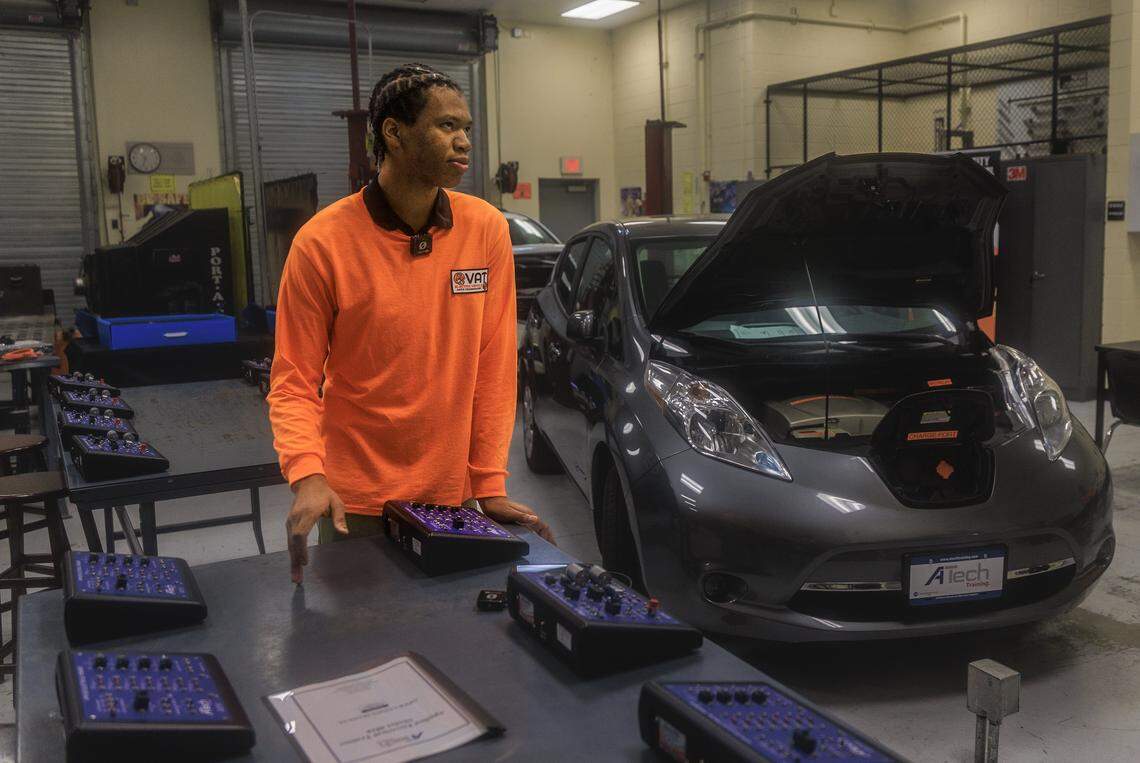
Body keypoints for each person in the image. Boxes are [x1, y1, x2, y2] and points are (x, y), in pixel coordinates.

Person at [268, 63, 554, 583]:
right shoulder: (322, 244)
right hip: (355, 503)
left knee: (456, 644)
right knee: (361, 643)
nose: (464, 142)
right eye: (447, 126)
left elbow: (493, 368)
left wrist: (488, 483)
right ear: (393, 134)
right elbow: (293, 380)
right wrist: (307, 474)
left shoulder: (485, 230)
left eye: (467, 128)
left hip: (454, 498)